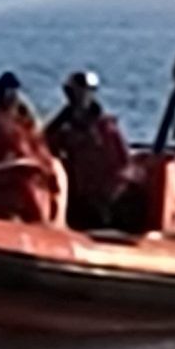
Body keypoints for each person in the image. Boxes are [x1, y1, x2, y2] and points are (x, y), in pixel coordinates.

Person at [44, 69, 132, 229]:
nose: (81, 96)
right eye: (76, 91)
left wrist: (111, 194)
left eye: (86, 91)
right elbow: (45, 148)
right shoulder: (60, 127)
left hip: (104, 199)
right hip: (75, 195)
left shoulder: (106, 129)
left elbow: (123, 165)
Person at [0, 71, 65, 223]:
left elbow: (40, 150)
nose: (11, 97)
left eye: (14, 92)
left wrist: (49, 174)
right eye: (7, 92)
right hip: (8, 196)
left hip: (36, 193)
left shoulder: (27, 122)